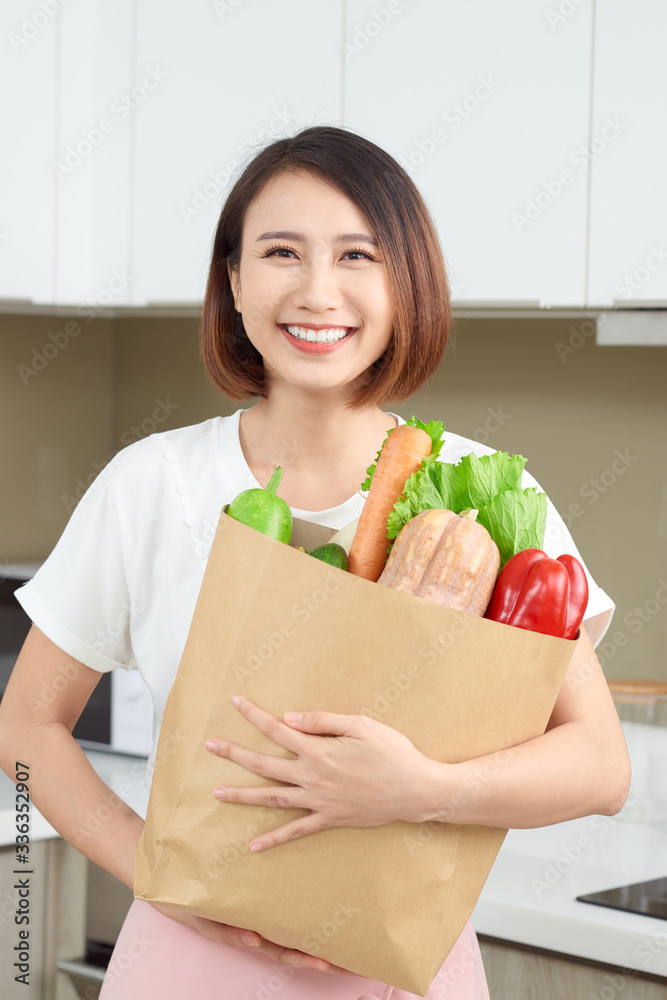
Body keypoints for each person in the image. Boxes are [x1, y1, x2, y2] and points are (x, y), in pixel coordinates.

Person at [0, 126, 630, 999]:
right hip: (187, 958)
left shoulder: (482, 500)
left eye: (356, 255)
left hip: (403, 962)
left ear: (405, 282)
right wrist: (156, 872)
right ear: (233, 281)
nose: (316, 291)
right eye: (280, 253)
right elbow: (25, 728)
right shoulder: (153, 485)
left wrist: (424, 788)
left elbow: (601, 766)